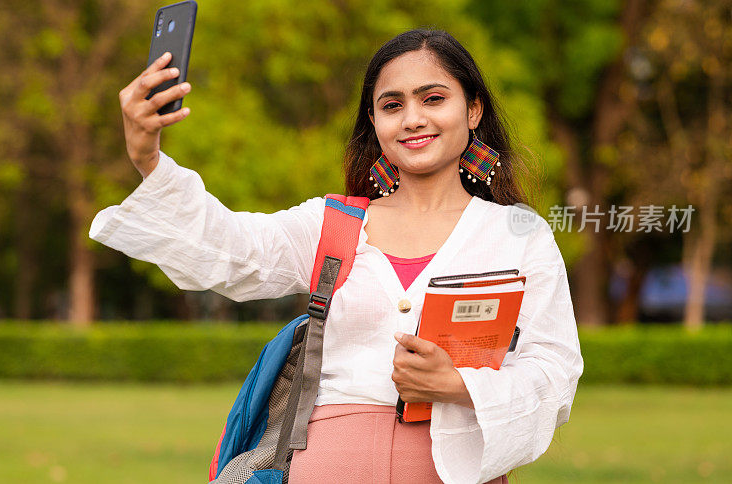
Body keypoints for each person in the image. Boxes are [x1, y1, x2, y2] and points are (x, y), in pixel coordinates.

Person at [90, 29, 583, 484]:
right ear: (375, 120)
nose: (413, 118)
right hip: (325, 465)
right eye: (392, 105)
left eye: (433, 98)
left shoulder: (518, 235)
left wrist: (459, 386)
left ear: (473, 110)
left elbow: (555, 370)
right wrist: (148, 158)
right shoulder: (333, 223)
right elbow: (230, 248)